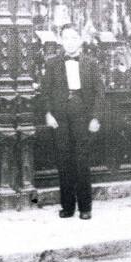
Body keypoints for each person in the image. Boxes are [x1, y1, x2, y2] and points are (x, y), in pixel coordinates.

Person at [41, 25, 103, 220]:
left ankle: (85, 207)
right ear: (60, 40)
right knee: (64, 161)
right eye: (66, 38)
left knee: (82, 162)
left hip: (82, 116)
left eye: (74, 38)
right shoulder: (52, 63)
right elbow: (45, 93)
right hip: (60, 118)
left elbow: (100, 93)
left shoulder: (91, 63)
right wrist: (48, 114)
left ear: (80, 40)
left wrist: (96, 117)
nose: (70, 42)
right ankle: (67, 207)